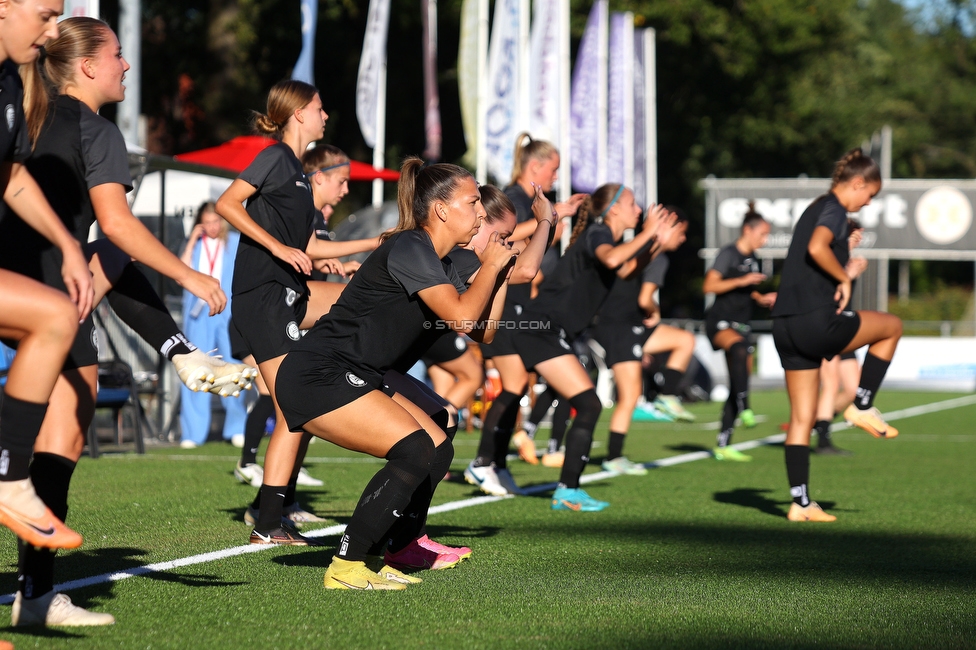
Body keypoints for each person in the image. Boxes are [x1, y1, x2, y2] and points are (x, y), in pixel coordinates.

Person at [7, 16, 247, 627]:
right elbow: (116, 238)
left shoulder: (22, 102)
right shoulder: (94, 131)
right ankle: (33, 590)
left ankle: (34, 595)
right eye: (118, 53)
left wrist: (176, 347)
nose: (126, 64)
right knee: (59, 436)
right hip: (41, 295)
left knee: (71, 412)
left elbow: (105, 262)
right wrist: (190, 279)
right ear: (88, 66)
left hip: (42, 289)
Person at [274, 158, 516, 590]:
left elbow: (484, 331)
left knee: (437, 445)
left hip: (355, 371)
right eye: (473, 201)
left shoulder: (441, 260)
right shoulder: (411, 248)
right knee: (414, 450)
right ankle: (346, 566)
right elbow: (462, 319)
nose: (482, 211)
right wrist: (495, 267)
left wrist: (505, 266)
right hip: (319, 374)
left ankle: (400, 546)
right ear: (441, 209)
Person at [217, 83, 385, 545]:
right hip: (263, 295)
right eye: (318, 107)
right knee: (293, 407)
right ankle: (269, 520)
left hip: (284, 293)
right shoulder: (275, 158)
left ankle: (271, 513)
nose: (325, 115)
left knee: (355, 306)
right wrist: (276, 247)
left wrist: (374, 244)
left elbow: (310, 247)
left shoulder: (294, 170)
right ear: (296, 114)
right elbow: (226, 204)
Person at [512, 184, 679, 511]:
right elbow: (615, 257)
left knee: (581, 403)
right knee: (588, 403)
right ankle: (564, 489)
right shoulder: (598, 233)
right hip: (541, 328)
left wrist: (656, 241)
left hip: (550, 330)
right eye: (632, 203)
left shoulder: (606, 237)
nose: (638, 208)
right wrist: (648, 234)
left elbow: (628, 267)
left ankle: (558, 483)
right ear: (614, 208)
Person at [0, 0, 94, 558]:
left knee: (55, 316)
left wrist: (67, 246)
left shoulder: (12, 81)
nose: (55, 29)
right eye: (46, 13)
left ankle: (11, 480)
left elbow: (10, 177)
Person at [233, 143, 378, 501]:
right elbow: (303, 250)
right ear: (318, 177)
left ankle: (281, 506)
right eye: (342, 181)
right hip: (270, 306)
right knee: (290, 409)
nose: (346, 190)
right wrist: (376, 242)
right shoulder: (288, 182)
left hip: (288, 305)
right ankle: (265, 504)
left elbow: (313, 252)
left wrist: (342, 265)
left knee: (297, 412)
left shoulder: (311, 213)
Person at [771, 148, 902, 523]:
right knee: (892, 327)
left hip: (784, 325)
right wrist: (845, 275)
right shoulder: (833, 207)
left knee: (802, 416)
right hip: (814, 323)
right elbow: (817, 247)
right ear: (857, 183)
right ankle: (861, 406)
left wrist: (843, 257)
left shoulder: (817, 209)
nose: (868, 202)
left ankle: (801, 503)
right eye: (870, 194)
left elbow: (814, 254)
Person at [465, 133, 584, 494]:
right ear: (534, 167)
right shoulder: (511, 199)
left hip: (514, 304)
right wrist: (550, 218)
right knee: (514, 385)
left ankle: (495, 463)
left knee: (517, 385)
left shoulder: (527, 201)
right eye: (553, 169)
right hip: (499, 303)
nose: (556, 178)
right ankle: (484, 462)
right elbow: (504, 239)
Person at [593, 208, 693, 476]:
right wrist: (655, 311)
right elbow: (643, 299)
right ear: (666, 226)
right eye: (680, 232)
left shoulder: (640, 248)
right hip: (620, 327)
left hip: (628, 325)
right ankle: (613, 456)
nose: (682, 239)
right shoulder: (656, 256)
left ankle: (667, 396)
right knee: (629, 395)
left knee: (684, 340)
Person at [702, 206, 776, 461]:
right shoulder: (728, 254)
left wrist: (760, 297)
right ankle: (747, 407)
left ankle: (723, 443)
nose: (764, 239)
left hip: (742, 323)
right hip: (720, 322)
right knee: (739, 350)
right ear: (748, 229)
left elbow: (745, 292)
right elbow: (709, 285)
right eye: (762, 234)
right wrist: (742, 282)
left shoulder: (753, 257)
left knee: (739, 379)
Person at [177, 202, 249, 448]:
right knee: (194, 368)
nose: (211, 227)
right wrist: (191, 239)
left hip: (227, 312)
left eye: (215, 221)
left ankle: (237, 427)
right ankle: (192, 433)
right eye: (206, 222)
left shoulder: (235, 241)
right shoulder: (195, 245)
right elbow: (180, 271)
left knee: (233, 366)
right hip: (198, 313)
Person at [813, 218, 868, 455]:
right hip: (826, 326)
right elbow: (827, 296)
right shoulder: (829, 259)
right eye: (856, 234)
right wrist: (848, 274)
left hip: (844, 330)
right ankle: (823, 440)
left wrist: (851, 272)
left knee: (854, 389)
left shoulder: (847, 260)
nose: (860, 239)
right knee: (831, 383)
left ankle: (817, 422)